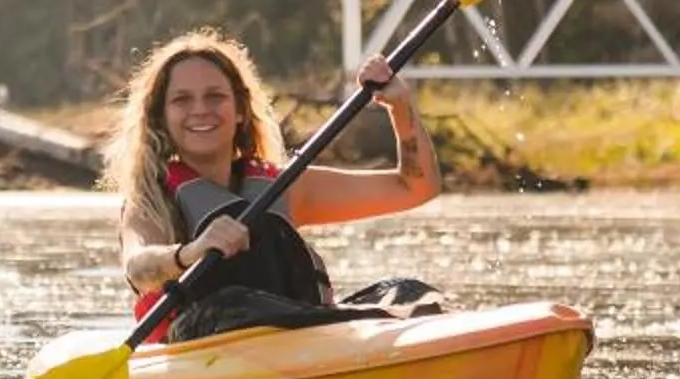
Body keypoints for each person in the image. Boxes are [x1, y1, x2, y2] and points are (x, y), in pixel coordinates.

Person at [106, 28, 442, 342]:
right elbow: (139, 268)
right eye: (181, 100)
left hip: (302, 330)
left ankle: (358, 325)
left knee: (411, 291)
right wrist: (192, 251)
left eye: (215, 96)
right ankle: (359, 323)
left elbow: (415, 187)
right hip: (207, 338)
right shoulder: (151, 199)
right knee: (235, 304)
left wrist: (400, 107)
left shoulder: (281, 187)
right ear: (161, 118)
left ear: (239, 110)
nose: (200, 110)